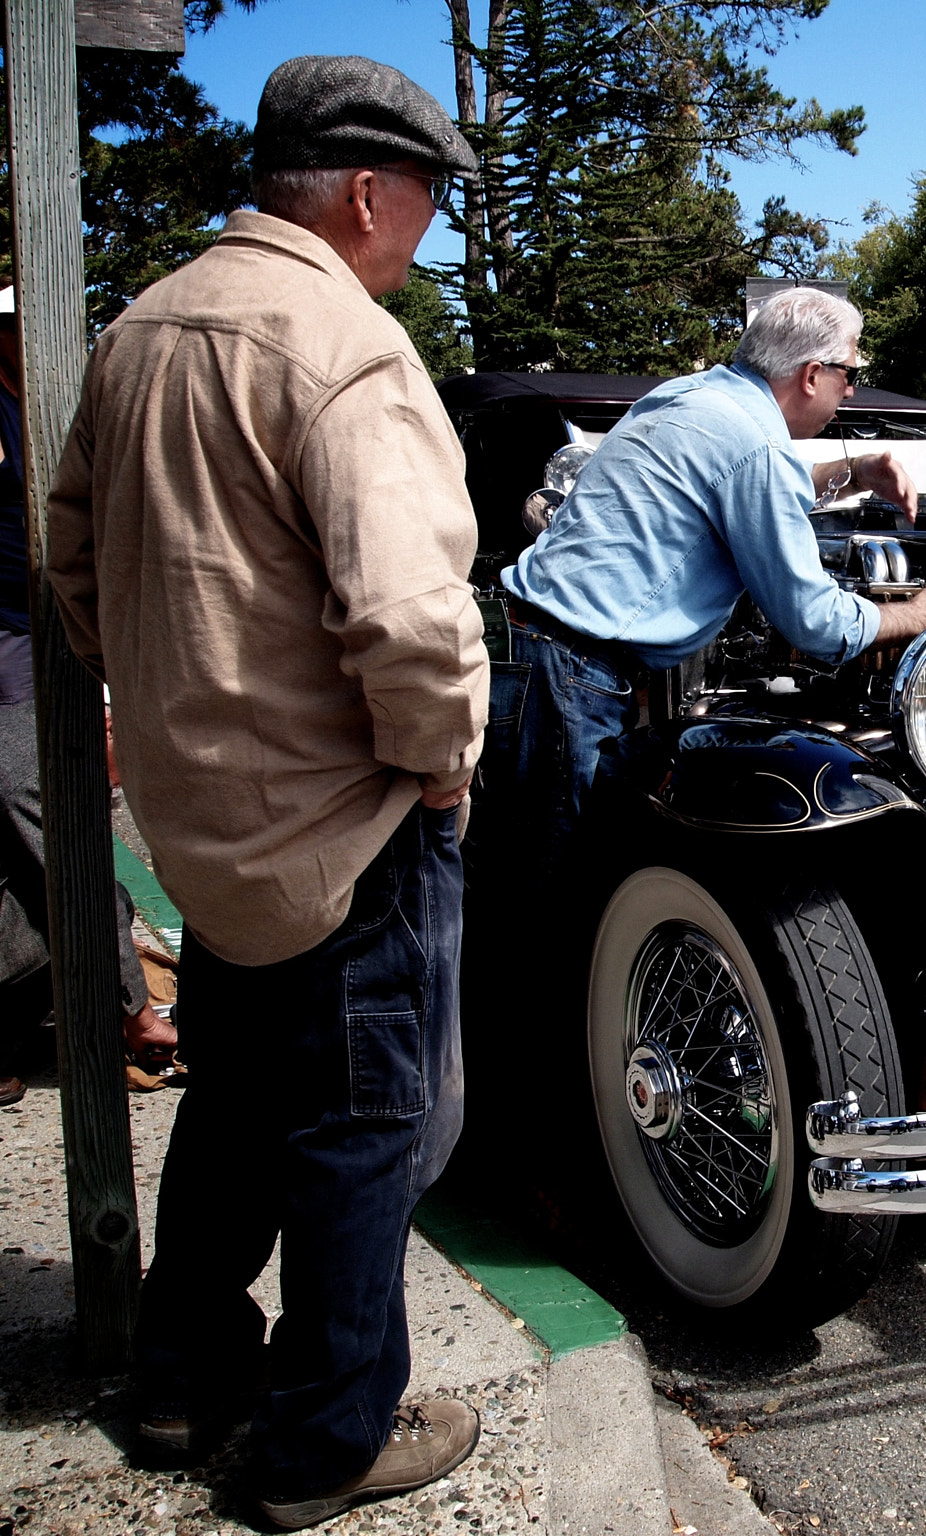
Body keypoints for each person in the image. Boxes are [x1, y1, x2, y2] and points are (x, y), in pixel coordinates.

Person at [44, 55, 489, 1530]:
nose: (427, 231)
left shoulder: (137, 332)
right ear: (369, 190)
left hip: (200, 824)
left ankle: (181, 1379)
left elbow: (69, 566)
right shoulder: (345, 347)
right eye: (426, 200)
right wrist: (440, 773)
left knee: (234, 1105)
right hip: (346, 825)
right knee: (366, 1128)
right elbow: (415, 626)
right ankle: (325, 1442)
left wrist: (181, 699)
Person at [485, 285, 926, 891]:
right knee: (552, 893)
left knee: (514, 875)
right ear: (811, 374)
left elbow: (754, 474)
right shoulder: (753, 443)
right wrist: (913, 613)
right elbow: (812, 621)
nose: (850, 390)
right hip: (572, 677)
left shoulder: (691, 396)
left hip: (525, 652)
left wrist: (857, 471)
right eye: (849, 374)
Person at [0, 301, 160, 1104]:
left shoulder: (53, 404)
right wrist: (132, 1003)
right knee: (63, 854)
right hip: (16, 629)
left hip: (36, 624)